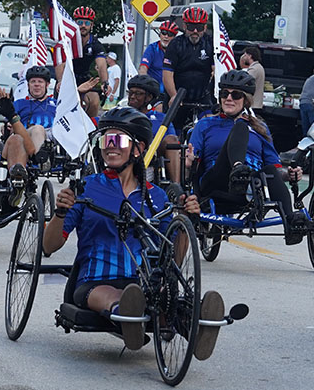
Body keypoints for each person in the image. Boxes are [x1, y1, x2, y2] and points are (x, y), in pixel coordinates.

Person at [43, 106, 226, 358]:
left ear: (138, 148)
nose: (110, 146)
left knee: (158, 297)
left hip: (145, 282)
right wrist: (60, 212)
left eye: (118, 140)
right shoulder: (86, 188)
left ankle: (194, 321)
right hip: (95, 281)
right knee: (117, 296)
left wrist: (187, 221)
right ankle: (129, 313)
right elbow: (49, 246)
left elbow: (174, 258)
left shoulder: (157, 197)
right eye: (106, 140)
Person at [187, 70, 307, 245]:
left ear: (245, 100)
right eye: (224, 94)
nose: (229, 98)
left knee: (269, 171)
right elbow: (193, 160)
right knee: (240, 128)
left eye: (235, 95)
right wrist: (189, 162)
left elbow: (274, 166)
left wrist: (289, 175)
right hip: (217, 181)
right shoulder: (206, 124)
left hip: (252, 186)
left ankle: (291, 222)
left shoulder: (260, 128)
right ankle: (238, 170)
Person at [163, 6, 214, 132]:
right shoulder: (175, 44)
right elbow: (167, 73)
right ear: (185, 26)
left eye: (200, 27)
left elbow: (216, 69)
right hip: (179, 94)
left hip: (202, 95)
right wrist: (173, 95)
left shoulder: (211, 43)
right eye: (191, 27)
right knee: (173, 132)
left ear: (205, 28)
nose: (195, 31)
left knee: (209, 127)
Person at [126, 74, 181, 184]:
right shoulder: (121, 114)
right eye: (130, 93)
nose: (132, 96)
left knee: (171, 140)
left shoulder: (161, 118)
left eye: (138, 94)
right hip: (128, 154)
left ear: (149, 97)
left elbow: (172, 143)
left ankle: (176, 188)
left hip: (154, 156)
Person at [61, 6, 108, 118]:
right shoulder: (67, 41)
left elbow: (101, 65)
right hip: (68, 78)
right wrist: (60, 81)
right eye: (80, 22)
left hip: (85, 78)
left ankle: (89, 129)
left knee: (94, 102)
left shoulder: (95, 44)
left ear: (91, 25)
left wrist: (105, 82)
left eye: (86, 23)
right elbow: (61, 63)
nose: (83, 26)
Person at [13, 65, 56, 156]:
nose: (36, 84)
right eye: (33, 82)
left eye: (40, 82)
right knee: (38, 129)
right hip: (27, 137)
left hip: (53, 138)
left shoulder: (57, 104)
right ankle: (40, 160)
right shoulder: (20, 103)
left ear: (47, 84)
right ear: (28, 85)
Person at [139, 19, 178, 85]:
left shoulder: (177, 50)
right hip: (153, 87)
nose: (166, 36)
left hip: (171, 86)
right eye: (164, 33)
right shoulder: (152, 48)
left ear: (174, 37)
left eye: (170, 34)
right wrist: (144, 81)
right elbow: (143, 67)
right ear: (160, 34)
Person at [239, 45, 265, 109]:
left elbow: (243, 81)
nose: (243, 58)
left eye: (245, 55)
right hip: (257, 104)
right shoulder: (258, 67)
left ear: (250, 56)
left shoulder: (254, 69)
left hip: (253, 105)